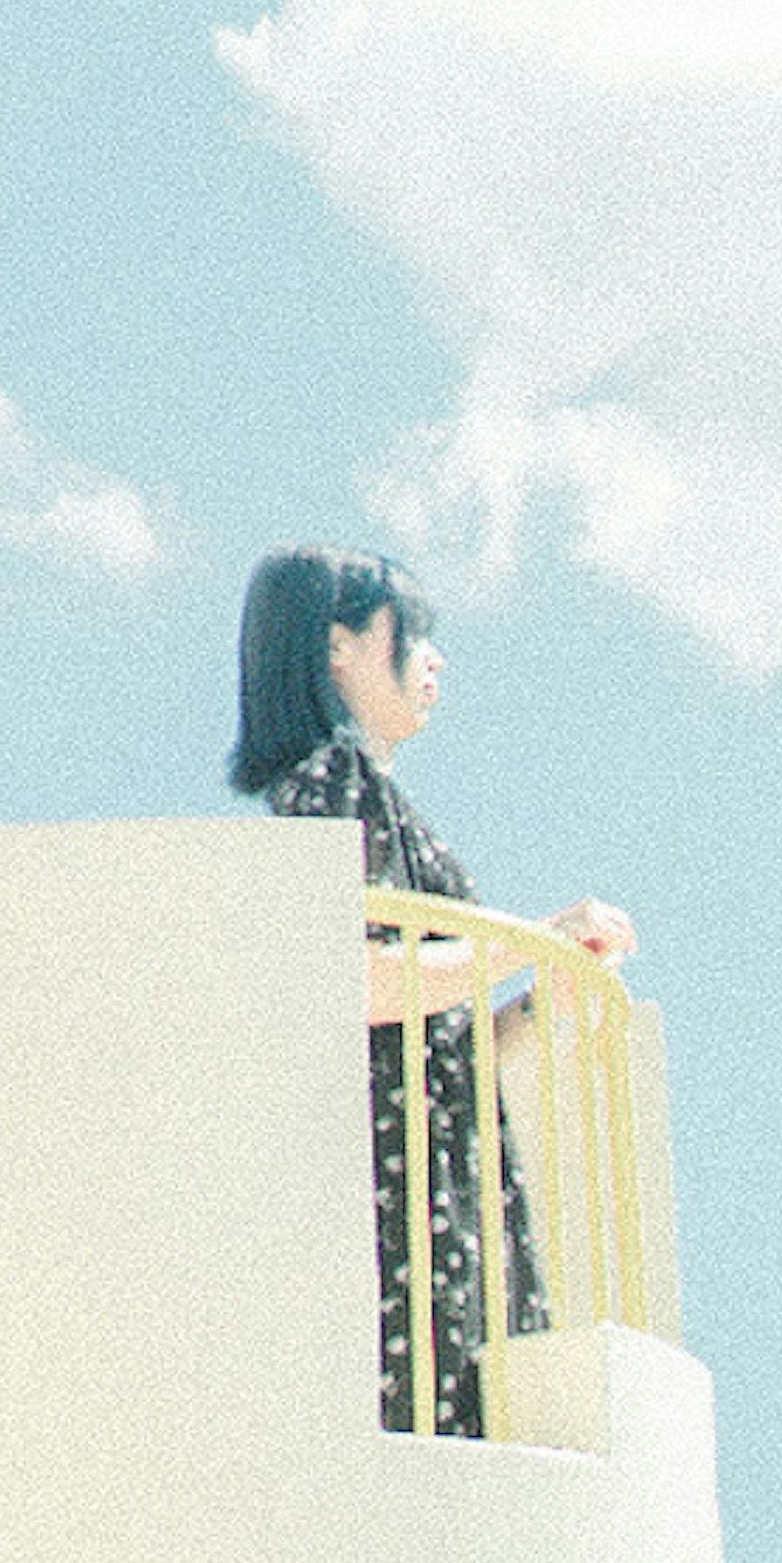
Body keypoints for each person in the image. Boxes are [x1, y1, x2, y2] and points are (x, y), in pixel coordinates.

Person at [226, 546, 635, 1435]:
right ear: (339, 646)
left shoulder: (362, 792)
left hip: (442, 1166)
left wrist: (537, 995)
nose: (433, 658)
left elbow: (440, 1036)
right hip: (404, 1183)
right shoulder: (332, 785)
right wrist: (532, 945)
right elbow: (358, 979)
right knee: (436, 1429)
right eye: (409, 634)